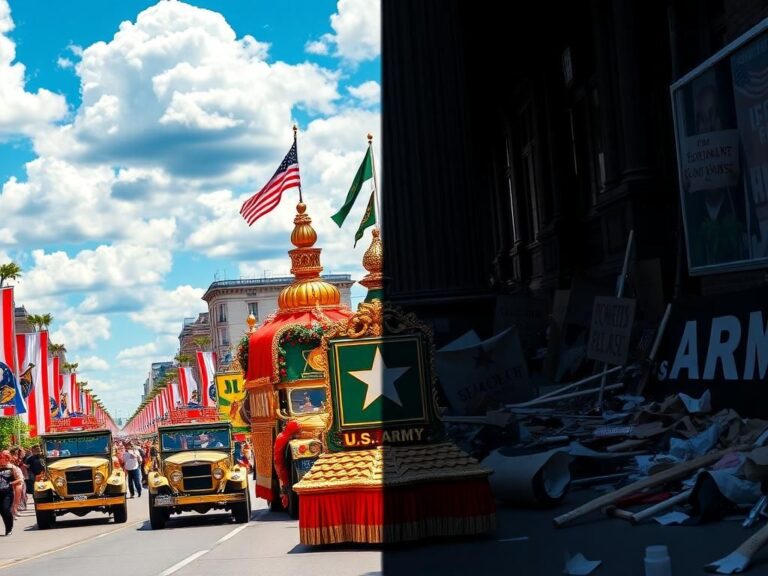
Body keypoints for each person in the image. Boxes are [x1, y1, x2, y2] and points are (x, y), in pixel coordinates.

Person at [0, 450, 24, 536]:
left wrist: (10, 483)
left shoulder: (12, 468)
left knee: (5, 510)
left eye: (5, 458)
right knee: (2, 512)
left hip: (7, 493)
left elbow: (20, 479)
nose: (3, 460)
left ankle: (9, 528)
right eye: (2, 458)